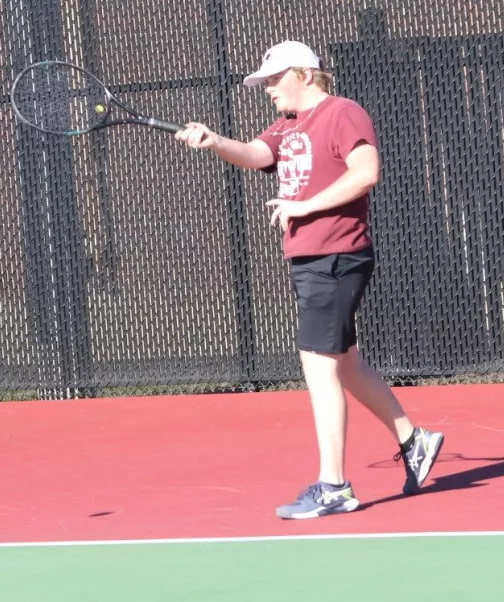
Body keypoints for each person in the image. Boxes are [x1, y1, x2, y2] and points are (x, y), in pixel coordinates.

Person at [174, 41, 445, 519]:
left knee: (319, 367)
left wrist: (303, 206)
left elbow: (366, 173)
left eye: (275, 79)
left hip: (336, 256)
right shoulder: (287, 125)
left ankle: (334, 486)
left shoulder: (343, 113)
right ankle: (413, 439)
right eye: (265, 82)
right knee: (347, 365)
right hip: (310, 259)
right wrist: (214, 141)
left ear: (304, 74)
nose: (268, 89)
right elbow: (256, 153)